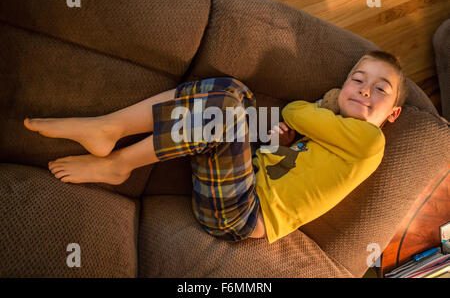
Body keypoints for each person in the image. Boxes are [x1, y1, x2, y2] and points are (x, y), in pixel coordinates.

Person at [23, 50, 408, 244]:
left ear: (393, 114)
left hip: (242, 216)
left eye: (380, 89)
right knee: (231, 92)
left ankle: (119, 158)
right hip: (233, 185)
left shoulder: (370, 142)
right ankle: (108, 130)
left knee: (227, 107)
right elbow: (289, 157)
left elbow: (295, 110)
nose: (364, 90)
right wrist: (281, 141)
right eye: (358, 79)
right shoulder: (336, 135)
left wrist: (323, 104)